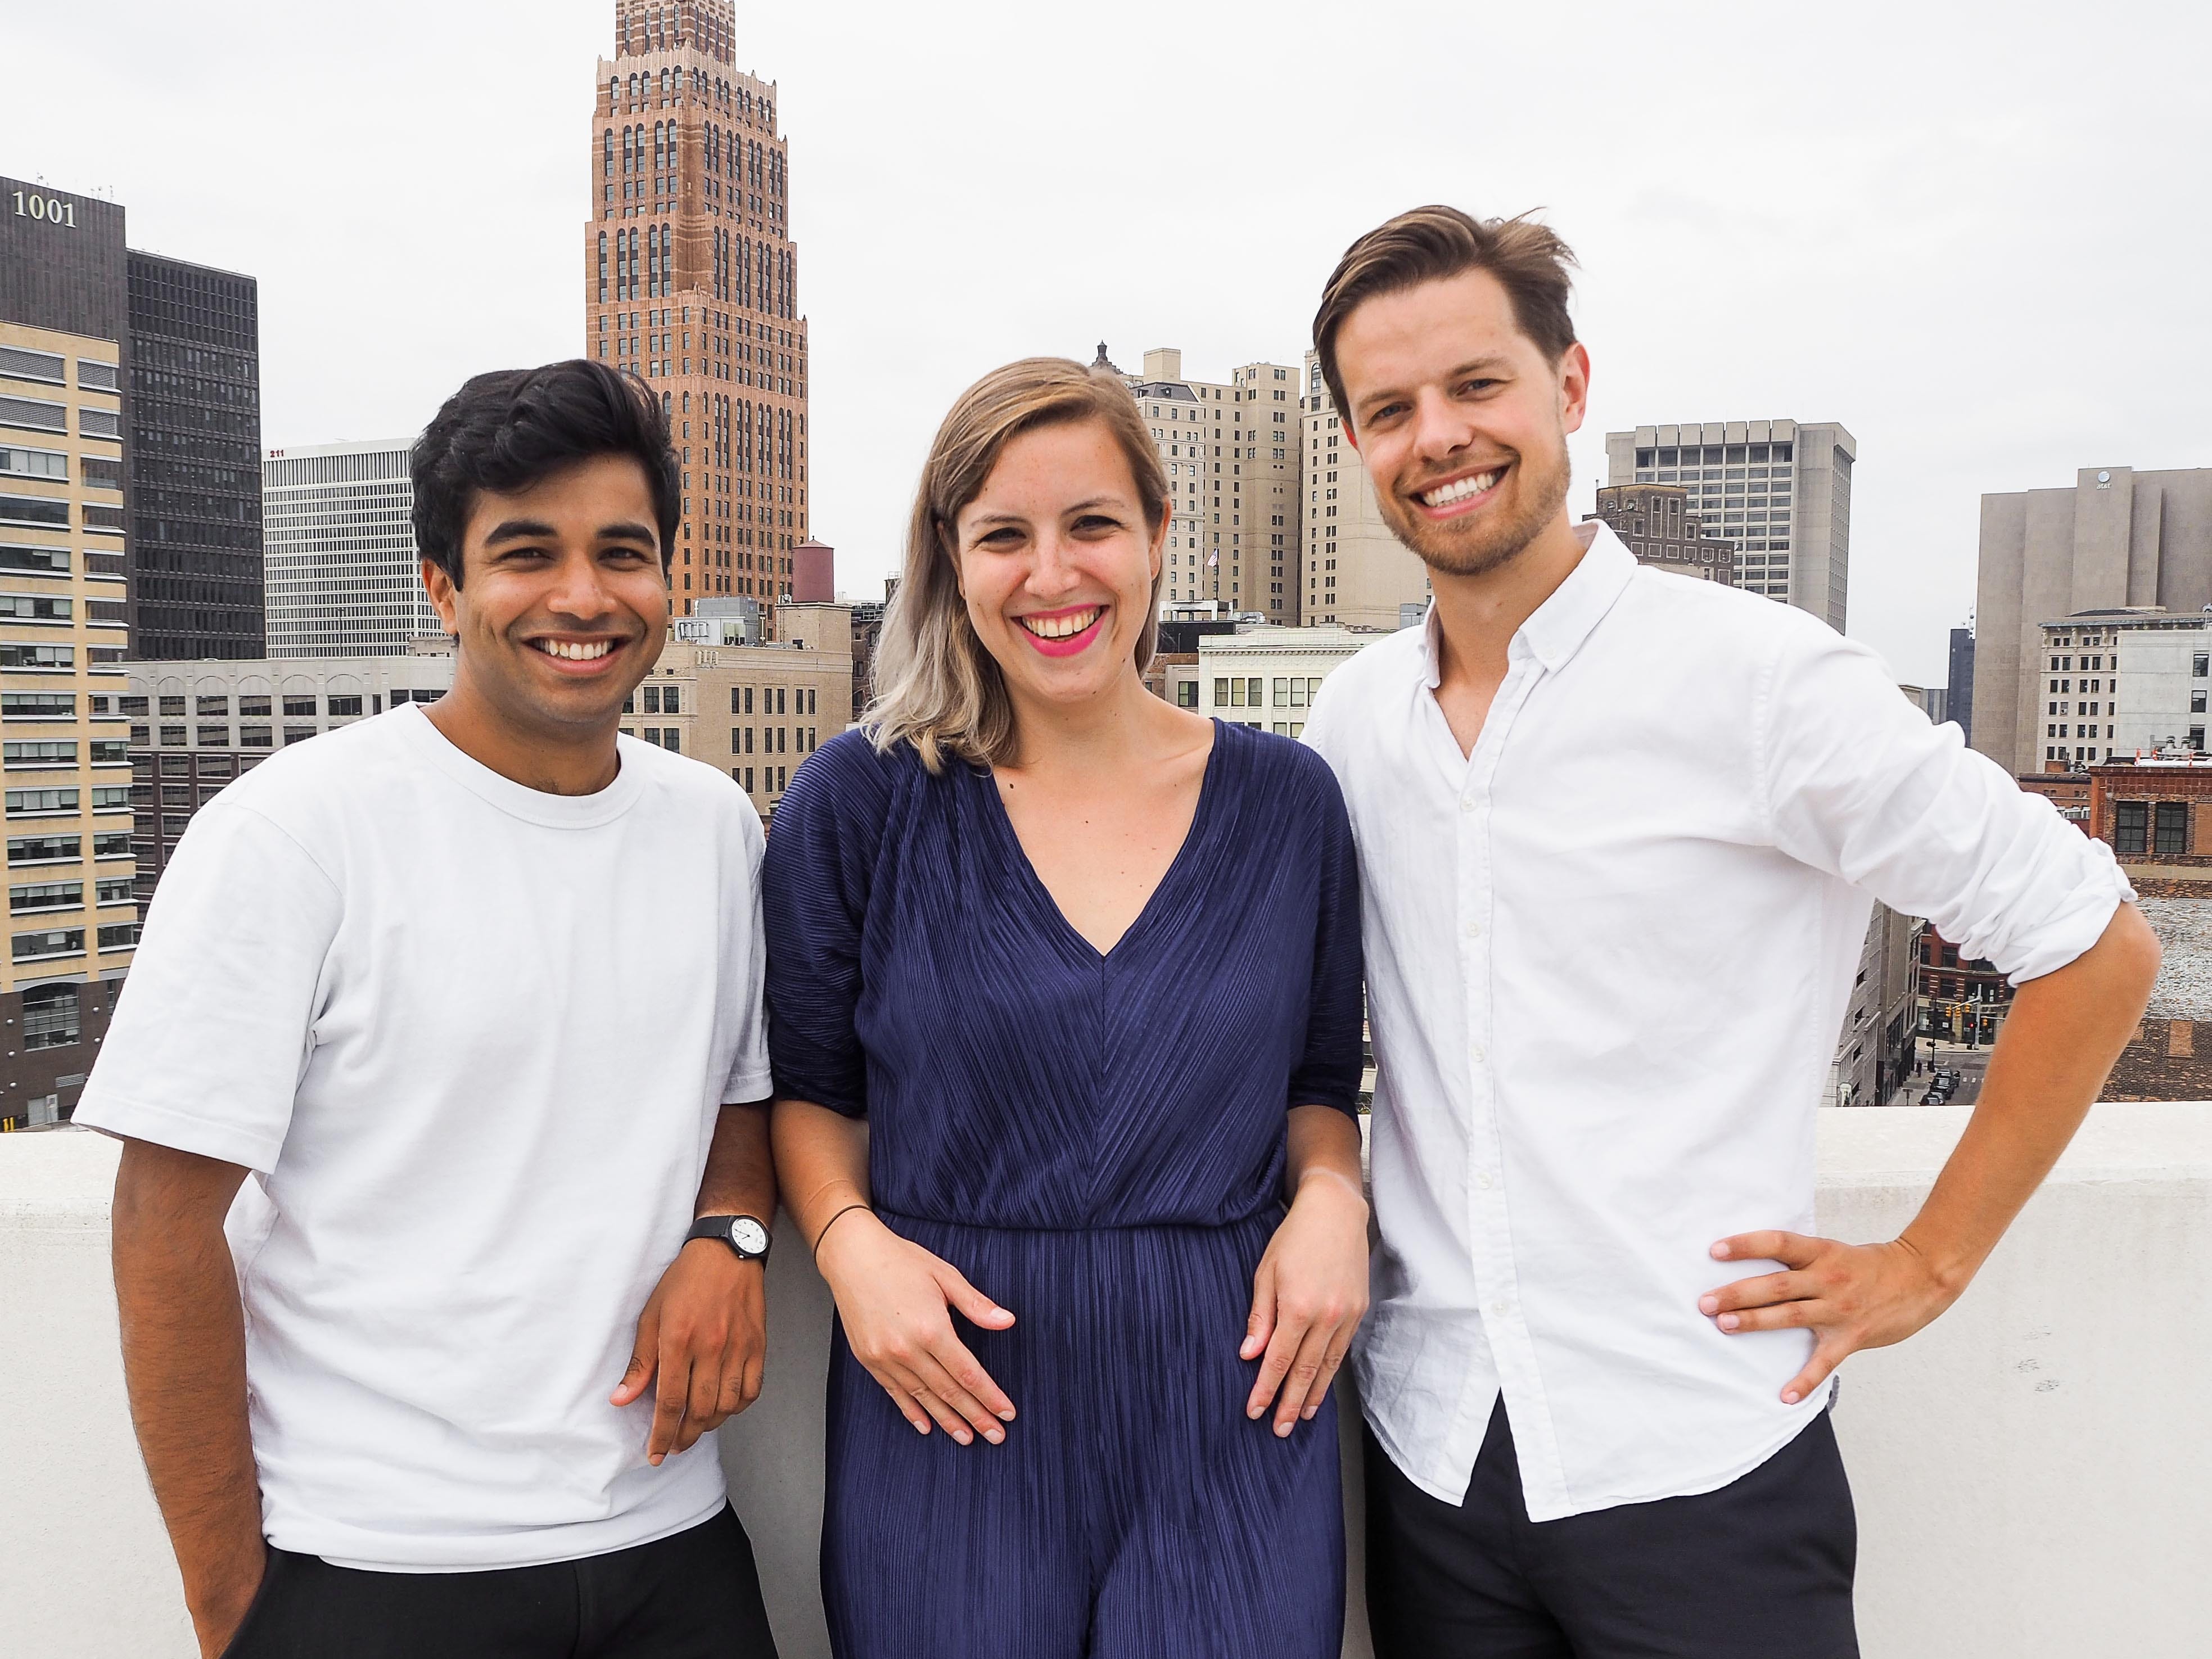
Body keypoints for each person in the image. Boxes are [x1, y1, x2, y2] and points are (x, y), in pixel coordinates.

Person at [1297, 206, 2161, 1657]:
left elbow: (2093, 941)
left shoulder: (1761, 683)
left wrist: (1927, 1264)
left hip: (1695, 1465)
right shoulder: (1348, 722)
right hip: (1428, 1452)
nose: (1435, 435)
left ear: (1568, 387)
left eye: (1474, 387)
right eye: (1388, 410)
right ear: (1356, 446)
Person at [78, 360, 783, 1658]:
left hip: (670, 1543)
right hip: (375, 1561)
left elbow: (742, 1086)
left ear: (667, 582)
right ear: (443, 586)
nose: (582, 597)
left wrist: (728, 1238)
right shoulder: (297, 832)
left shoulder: (714, 830)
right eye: (526, 554)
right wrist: (231, 1604)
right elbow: (161, 1227)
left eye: (621, 553)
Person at [762, 358, 1369, 1657]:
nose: (1052, 576)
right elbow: (811, 1094)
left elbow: (1319, 1089)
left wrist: (1332, 1200)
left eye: (1090, 524)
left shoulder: (1289, 807)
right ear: (950, 561)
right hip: (946, 1396)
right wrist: (848, 1246)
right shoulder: (858, 805)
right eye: (1003, 536)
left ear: (1156, 536)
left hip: (1237, 1390)